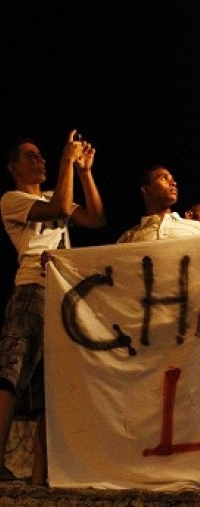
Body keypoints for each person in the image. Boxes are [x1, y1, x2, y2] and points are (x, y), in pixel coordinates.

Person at [0, 130, 106, 485]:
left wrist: (84, 172)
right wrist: (65, 162)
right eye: (31, 156)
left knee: (49, 388)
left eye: (43, 155)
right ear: (13, 167)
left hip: (60, 296)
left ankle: (39, 476)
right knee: (11, 375)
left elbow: (95, 218)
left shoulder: (53, 193)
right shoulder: (12, 199)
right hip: (31, 287)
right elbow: (60, 209)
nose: (40, 160)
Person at [116, 164, 200, 243]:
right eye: (163, 178)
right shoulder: (128, 239)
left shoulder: (197, 229)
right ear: (146, 190)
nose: (173, 183)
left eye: (172, 179)